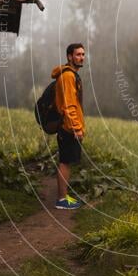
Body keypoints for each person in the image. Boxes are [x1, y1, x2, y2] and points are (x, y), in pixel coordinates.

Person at [50, 42, 87, 210]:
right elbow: (69, 105)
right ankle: (61, 200)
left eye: (83, 54)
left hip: (68, 126)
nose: (81, 57)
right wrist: (76, 127)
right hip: (68, 128)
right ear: (69, 57)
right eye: (78, 54)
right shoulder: (67, 77)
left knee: (67, 162)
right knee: (65, 162)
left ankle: (64, 196)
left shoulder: (70, 75)